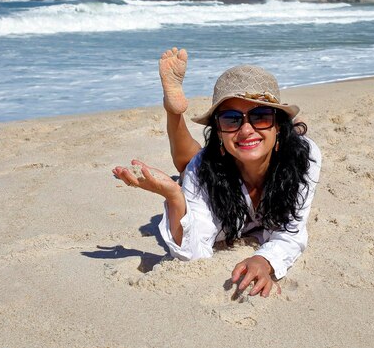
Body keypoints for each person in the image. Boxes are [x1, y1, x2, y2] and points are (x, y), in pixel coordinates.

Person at [113, 47, 321, 297]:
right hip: (215, 176)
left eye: (261, 116)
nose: (246, 129)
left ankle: (175, 113)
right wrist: (174, 197)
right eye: (232, 119)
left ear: (279, 126)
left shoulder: (303, 158)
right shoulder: (204, 167)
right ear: (218, 132)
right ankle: (174, 112)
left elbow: (291, 232)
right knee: (194, 165)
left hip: (220, 166)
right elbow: (192, 252)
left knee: (192, 163)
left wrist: (264, 260)